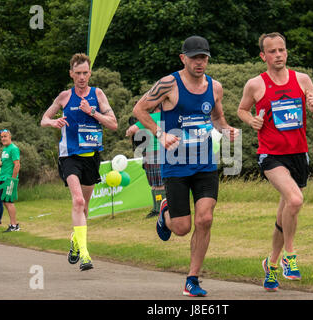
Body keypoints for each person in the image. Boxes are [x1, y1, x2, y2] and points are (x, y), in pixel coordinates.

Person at [133, 36, 239, 297]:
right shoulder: (169, 84)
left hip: (204, 164)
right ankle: (165, 212)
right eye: (194, 58)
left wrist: (226, 130)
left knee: (206, 218)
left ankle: (192, 279)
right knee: (181, 228)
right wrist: (160, 134)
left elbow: (216, 117)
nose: (199, 62)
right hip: (176, 164)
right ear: (183, 59)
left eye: (203, 57)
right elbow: (140, 109)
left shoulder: (215, 87)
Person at [237, 32, 313, 291]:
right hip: (271, 155)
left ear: (286, 52)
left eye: (282, 50)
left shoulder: (302, 80)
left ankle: (271, 266)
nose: (278, 55)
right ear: (263, 56)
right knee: (295, 200)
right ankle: (290, 256)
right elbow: (242, 109)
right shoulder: (255, 84)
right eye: (272, 51)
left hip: (298, 154)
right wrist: (250, 120)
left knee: (285, 210)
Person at [41, 53, 118, 271]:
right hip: (70, 156)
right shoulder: (65, 96)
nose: (82, 77)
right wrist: (54, 122)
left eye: (85, 73)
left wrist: (92, 111)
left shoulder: (98, 94)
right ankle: (85, 255)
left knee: (85, 208)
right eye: (78, 73)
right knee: (78, 202)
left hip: (91, 157)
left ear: (90, 73)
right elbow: (44, 119)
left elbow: (113, 124)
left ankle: (75, 241)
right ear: (71, 74)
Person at [126, 103, 165, 218]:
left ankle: (159, 209)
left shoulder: (149, 118)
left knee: (156, 184)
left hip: (152, 152)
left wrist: (131, 132)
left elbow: (131, 130)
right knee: (161, 183)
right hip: (168, 151)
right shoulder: (169, 116)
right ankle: (159, 208)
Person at [0, 130, 21, 232]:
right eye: (1, 137)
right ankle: (13, 225)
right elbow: (5, 164)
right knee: (5, 202)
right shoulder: (4, 150)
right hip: (3, 178)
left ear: (10, 137)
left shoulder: (13, 149)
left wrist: (12, 180)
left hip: (9, 179)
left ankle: (14, 226)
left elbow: (17, 165)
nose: (3, 138)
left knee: (9, 202)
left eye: (5, 136)